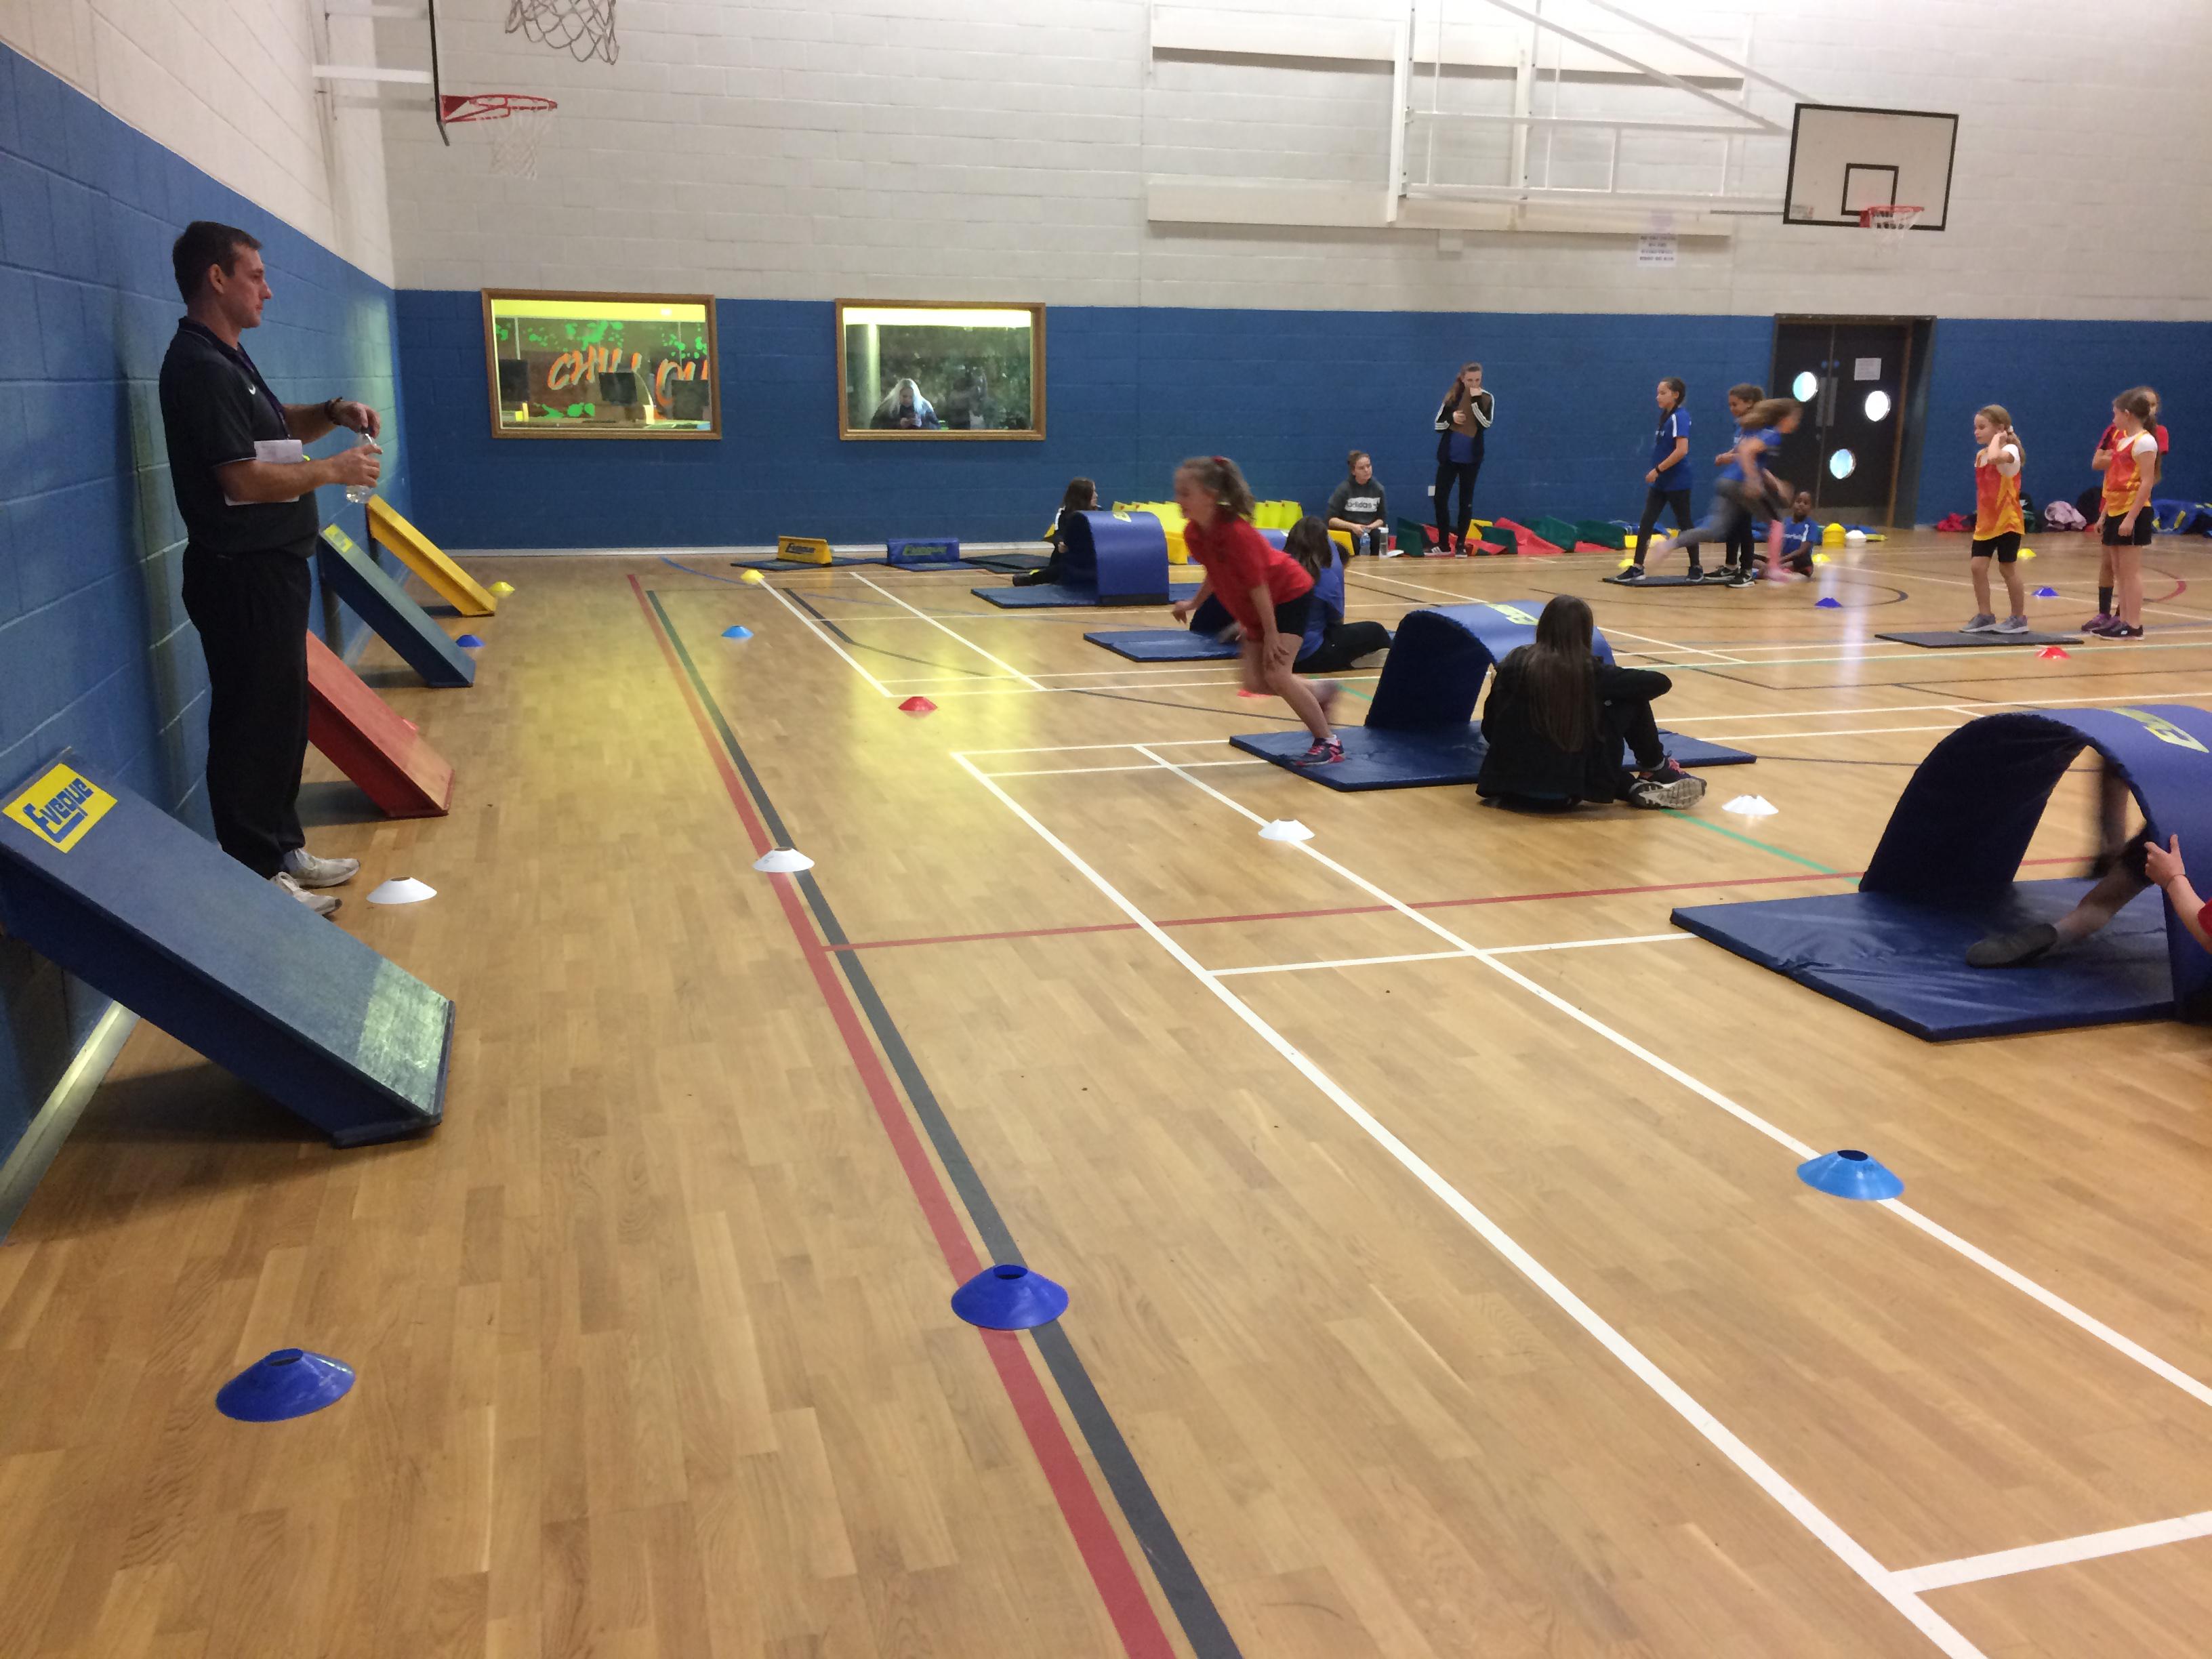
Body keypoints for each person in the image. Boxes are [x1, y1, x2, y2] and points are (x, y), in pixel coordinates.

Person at [158, 221, 382, 917]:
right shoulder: (197, 366)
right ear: (216, 278)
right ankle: (255, 873)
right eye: (255, 275)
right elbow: (243, 479)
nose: (268, 289)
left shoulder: (229, 360)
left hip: (273, 572)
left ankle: (283, 848)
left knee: (282, 718)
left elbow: (277, 429)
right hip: (240, 576)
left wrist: (333, 413)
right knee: (250, 724)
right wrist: (335, 471)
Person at [1170, 456, 1343, 764]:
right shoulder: (1194, 534)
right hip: (1260, 605)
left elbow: (1259, 586)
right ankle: (1320, 691)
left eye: (1185, 493)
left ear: (1209, 496)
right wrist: (1193, 603)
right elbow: (1215, 573)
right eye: (1177, 492)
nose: (1178, 500)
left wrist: (1272, 634)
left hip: (1288, 593)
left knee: (1277, 673)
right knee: (1254, 682)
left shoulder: (1237, 534)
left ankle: (1329, 743)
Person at [1475, 596, 1706, 809]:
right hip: (1565, 793)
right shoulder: (1590, 672)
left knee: (1550, 749)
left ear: (1543, 626)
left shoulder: (1512, 662)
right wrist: (1607, 690)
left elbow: (1489, 730)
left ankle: (1633, 787)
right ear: (1585, 632)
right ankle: (1655, 768)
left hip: (1505, 787)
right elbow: (1660, 682)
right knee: (1630, 699)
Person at [1967, 770, 2211, 966]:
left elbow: (2207, 936)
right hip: (2186, 821)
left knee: (2103, 902)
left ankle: (2066, 928)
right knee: (2109, 897)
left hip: (2181, 823)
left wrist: (2173, 879)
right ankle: (2066, 928)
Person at [1638, 398, 1801, 586]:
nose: (1796, 423)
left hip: (1726, 482)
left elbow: (1747, 456)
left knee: (1713, 529)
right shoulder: (1772, 434)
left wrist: (1775, 483)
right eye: (1795, 418)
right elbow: (1747, 452)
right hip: (1739, 484)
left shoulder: (1754, 430)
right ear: (1783, 418)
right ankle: (1773, 569)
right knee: (1776, 524)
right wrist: (1753, 480)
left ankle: (1668, 545)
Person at [2085, 388, 2169, 632]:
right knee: (2120, 571)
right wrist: (2105, 514)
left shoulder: (2145, 441)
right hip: (2115, 509)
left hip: (2133, 510)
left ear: (2128, 414)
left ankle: (2133, 624)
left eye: (2116, 414)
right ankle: (2121, 620)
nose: (2113, 419)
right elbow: (2114, 481)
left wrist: (2131, 517)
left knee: (2130, 573)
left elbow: (2147, 482)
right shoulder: (2122, 442)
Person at [1281, 516, 1391, 672]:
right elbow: (1336, 619)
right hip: (1310, 655)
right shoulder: (1324, 576)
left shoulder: (1278, 572)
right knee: (1376, 631)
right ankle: (1360, 658)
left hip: (1277, 654)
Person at [1963, 406, 2029, 634]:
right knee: (1977, 567)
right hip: (1986, 523)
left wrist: (2000, 439)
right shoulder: (1981, 455)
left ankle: (2019, 618)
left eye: (1982, 427)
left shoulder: (2010, 450)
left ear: (2000, 428)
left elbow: (1994, 457)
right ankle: (1985, 616)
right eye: (1975, 427)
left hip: (2007, 521)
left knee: (2007, 568)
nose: (1976, 432)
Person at [1624, 377, 1693, 577]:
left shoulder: (1679, 417)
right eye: (1658, 393)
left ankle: (1696, 567)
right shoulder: (1665, 417)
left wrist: (1658, 470)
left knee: (1685, 524)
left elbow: (1682, 450)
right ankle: (1637, 567)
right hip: (1661, 483)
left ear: (1676, 395)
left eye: (1663, 393)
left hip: (1677, 481)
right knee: (1647, 521)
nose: (1657, 397)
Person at [1431, 363, 1494, 551]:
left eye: (1477, 380)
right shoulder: (1452, 398)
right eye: (1470, 380)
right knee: (1440, 498)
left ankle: (1460, 543)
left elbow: (1485, 423)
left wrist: (1475, 402)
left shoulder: (1487, 398)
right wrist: (1451, 419)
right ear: (1462, 378)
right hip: (1449, 458)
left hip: (1471, 461)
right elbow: (1438, 425)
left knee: (1465, 502)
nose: (1474, 384)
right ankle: (1443, 543)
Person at [1012, 477, 1097, 586]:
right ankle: (1033, 579)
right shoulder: (1065, 514)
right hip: (1070, 556)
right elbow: (1058, 533)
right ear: (1084, 495)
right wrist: (1060, 543)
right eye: (1093, 492)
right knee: (1062, 566)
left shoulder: (1099, 513)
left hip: (1090, 556)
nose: (1096, 495)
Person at [1326, 452, 1389, 557]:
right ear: (1353, 471)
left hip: (1369, 529)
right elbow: (1331, 520)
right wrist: (1353, 527)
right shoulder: (1344, 490)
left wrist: (1370, 527)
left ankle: (1376, 565)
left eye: (1368, 466)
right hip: (1349, 529)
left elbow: (1381, 519)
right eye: (1361, 468)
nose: (1366, 470)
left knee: (1378, 537)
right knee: (1353, 540)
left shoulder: (1379, 489)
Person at [869, 377, 939, 429]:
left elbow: (937, 427)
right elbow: (874, 426)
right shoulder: (887, 407)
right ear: (898, 395)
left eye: (911, 397)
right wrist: (898, 424)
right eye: (905, 396)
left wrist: (922, 424)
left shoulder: (924, 407)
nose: (908, 400)